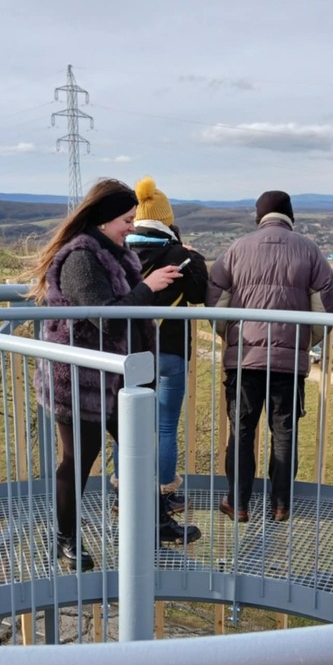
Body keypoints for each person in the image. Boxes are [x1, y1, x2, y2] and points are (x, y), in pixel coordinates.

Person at [31, 178, 201, 571]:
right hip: (80, 383)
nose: (131, 226)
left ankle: (155, 523)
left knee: (140, 451)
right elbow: (105, 316)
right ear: (105, 219)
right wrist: (149, 286)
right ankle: (66, 542)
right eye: (127, 219)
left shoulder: (113, 253)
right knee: (77, 461)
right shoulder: (81, 258)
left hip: (115, 380)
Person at [207, 191, 333, 523]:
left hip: (245, 359)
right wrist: (304, 341)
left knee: (242, 431)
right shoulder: (309, 250)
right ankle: (280, 504)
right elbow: (326, 306)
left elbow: (216, 302)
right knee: (284, 433)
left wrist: (230, 336)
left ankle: (237, 503)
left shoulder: (236, 249)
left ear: (259, 216)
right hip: (287, 364)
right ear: (290, 216)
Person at [112, 177, 209, 512]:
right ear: (167, 220)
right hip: (171, 350)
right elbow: (199, 294)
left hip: (129, 352)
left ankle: (124, 493)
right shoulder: (181, 255)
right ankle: (165, 494)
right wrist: (191, 255)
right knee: (165, 425)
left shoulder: (119, 252)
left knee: (126, 424)